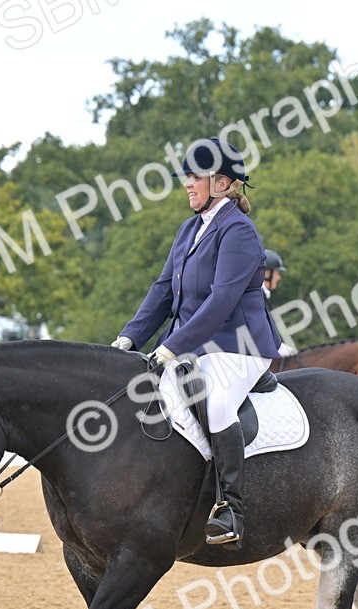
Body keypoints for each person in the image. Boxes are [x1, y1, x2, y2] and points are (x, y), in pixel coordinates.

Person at [111, 138, 282, 548]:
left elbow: (221, 300)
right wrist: (129, 336)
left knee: (215, 400)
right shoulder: (191, 228)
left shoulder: (238, 232)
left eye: (195, 178)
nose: (188, 184)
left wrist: (172, 346)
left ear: (222, 183)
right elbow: (164, 289)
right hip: (193, 344)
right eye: (187, 177)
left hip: (237, 346)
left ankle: (231, 510)